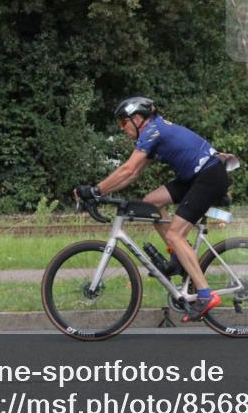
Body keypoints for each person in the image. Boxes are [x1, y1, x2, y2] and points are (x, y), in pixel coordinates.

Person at [74, 97, 231, 321]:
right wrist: (101, 192)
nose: (122, 129)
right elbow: (134, 173)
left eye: (123, 122)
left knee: (175, 233)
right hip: (197, 175)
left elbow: (128, 169)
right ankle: (179, 259)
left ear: (138, 119)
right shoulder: (152, 132)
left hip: (207, 176)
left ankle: (206, 294)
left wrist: (95, 191)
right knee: (151, 203)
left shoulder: (152, 131)